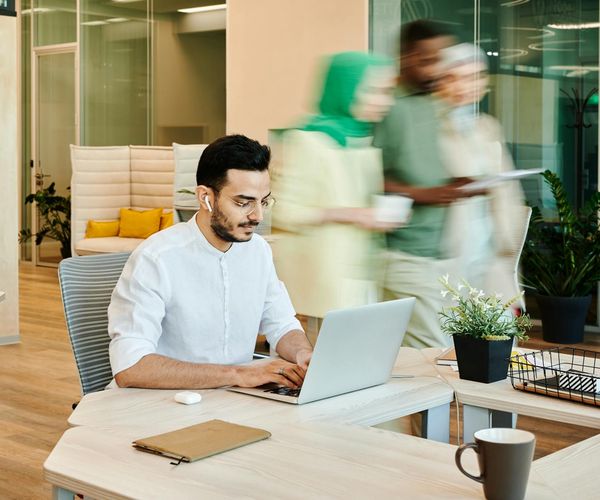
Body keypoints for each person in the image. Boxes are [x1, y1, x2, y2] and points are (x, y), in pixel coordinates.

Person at [108, 134, 313, 390]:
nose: (257, 215)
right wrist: (239, 374)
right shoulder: (156, 258)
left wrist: (304, 355)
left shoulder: (258, 251)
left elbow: (281, 323)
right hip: (162, 404)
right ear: (205, 197)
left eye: (263, 201)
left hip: (233, 400)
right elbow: (131, 366)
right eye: (243, 202)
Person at [373, 20, 484, 348]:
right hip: (405, 253)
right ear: (406, 57)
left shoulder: (435, 104)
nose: (437, 69)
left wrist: (453, 184)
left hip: (441, 252)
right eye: (427, 60)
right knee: (436, 358)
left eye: (441, 59)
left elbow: (422, 164)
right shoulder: (388, 106)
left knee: (433, 357)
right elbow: (370, 178)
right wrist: (426, 194)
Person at [272, 52, 396, 341]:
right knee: (329, 367)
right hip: (325, 278)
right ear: (346, 90)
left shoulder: (363, 140)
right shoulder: (306, 140)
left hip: (362, 273)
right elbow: (285, 211)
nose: (385, 101)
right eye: (375, 91)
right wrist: (352, 214)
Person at [436, 43, 526, 301]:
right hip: (451, 243)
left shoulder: (488, 127)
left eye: (475, 77)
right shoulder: (432, 127)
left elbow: (508, 189)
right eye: (456, 78)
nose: (466, 86)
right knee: (449, 323)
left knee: (493, 327)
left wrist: (510, 240)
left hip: (490, 242)